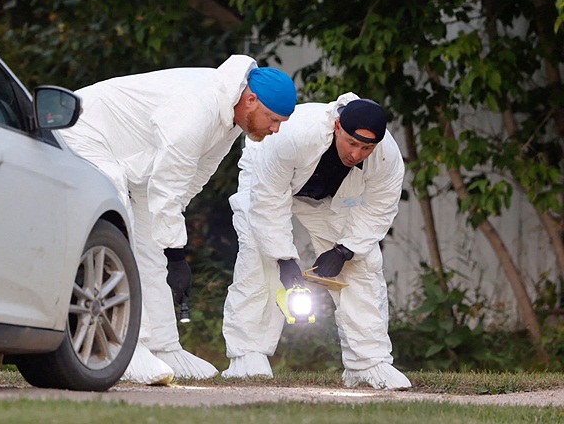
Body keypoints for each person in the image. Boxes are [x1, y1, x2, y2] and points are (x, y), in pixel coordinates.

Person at [59, 55, 297, 385]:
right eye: (273, 119)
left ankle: (163, 346)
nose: (275, 129)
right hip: (82, 130)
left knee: (153, 241)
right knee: (119, 225)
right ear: (251, 100)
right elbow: (169, 184)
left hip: (136, 160)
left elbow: (191, 180)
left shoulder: (230, 118)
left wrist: (170, 244)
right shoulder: (198, 109)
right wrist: (176, 255)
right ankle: (126, 346)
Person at [221, 93, 411, 389]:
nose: (357, 154)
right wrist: (284, 259)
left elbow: (380, 208)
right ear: (337, 127)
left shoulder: (387, 157)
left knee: (363, 263)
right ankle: (248, 356)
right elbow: (269, 201)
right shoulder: (295, 136)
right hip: (267, 180)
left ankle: (367, 363)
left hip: (324, 197)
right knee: (258, 259)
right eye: (352, 143)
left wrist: (345, 250)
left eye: (366, 148)